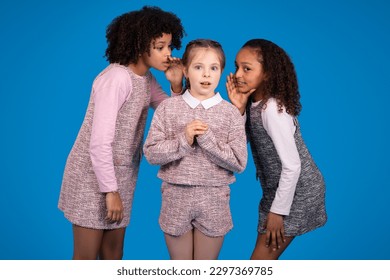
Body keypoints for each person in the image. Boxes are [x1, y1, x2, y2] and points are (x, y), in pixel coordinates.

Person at [58, 6, 185, 260]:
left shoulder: (146, 79)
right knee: (86, 258)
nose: (168, 54)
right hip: (92, 179)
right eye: (160, 47)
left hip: (121, 177)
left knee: (113, 254)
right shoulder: (116, 78)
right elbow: (99, 142)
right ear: (138, 44)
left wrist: (175, 84)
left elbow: (170, 114)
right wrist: (110, 192)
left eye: (170, 47)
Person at [143, 39, 248, 260]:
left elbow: (239, 162)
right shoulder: (168, 108)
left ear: (221, 71)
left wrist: (208, 140)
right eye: (199, 67)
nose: (207, 75)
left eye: (214, 68)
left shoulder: (231, 113)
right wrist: (184, 139)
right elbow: (151, 153)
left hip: (214, 199)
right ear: (186, 71)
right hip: (175, 197)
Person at [226, 39, 327, 260]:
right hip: (276, 191)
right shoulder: (253, 102)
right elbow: (239, 147)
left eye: (247, 68)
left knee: (259, 262)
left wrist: (277, 212)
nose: (238, 74)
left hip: (299, 192)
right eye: (236, 67)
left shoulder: (272, 109)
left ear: (268, 74)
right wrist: (239, 109)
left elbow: (293, 165)